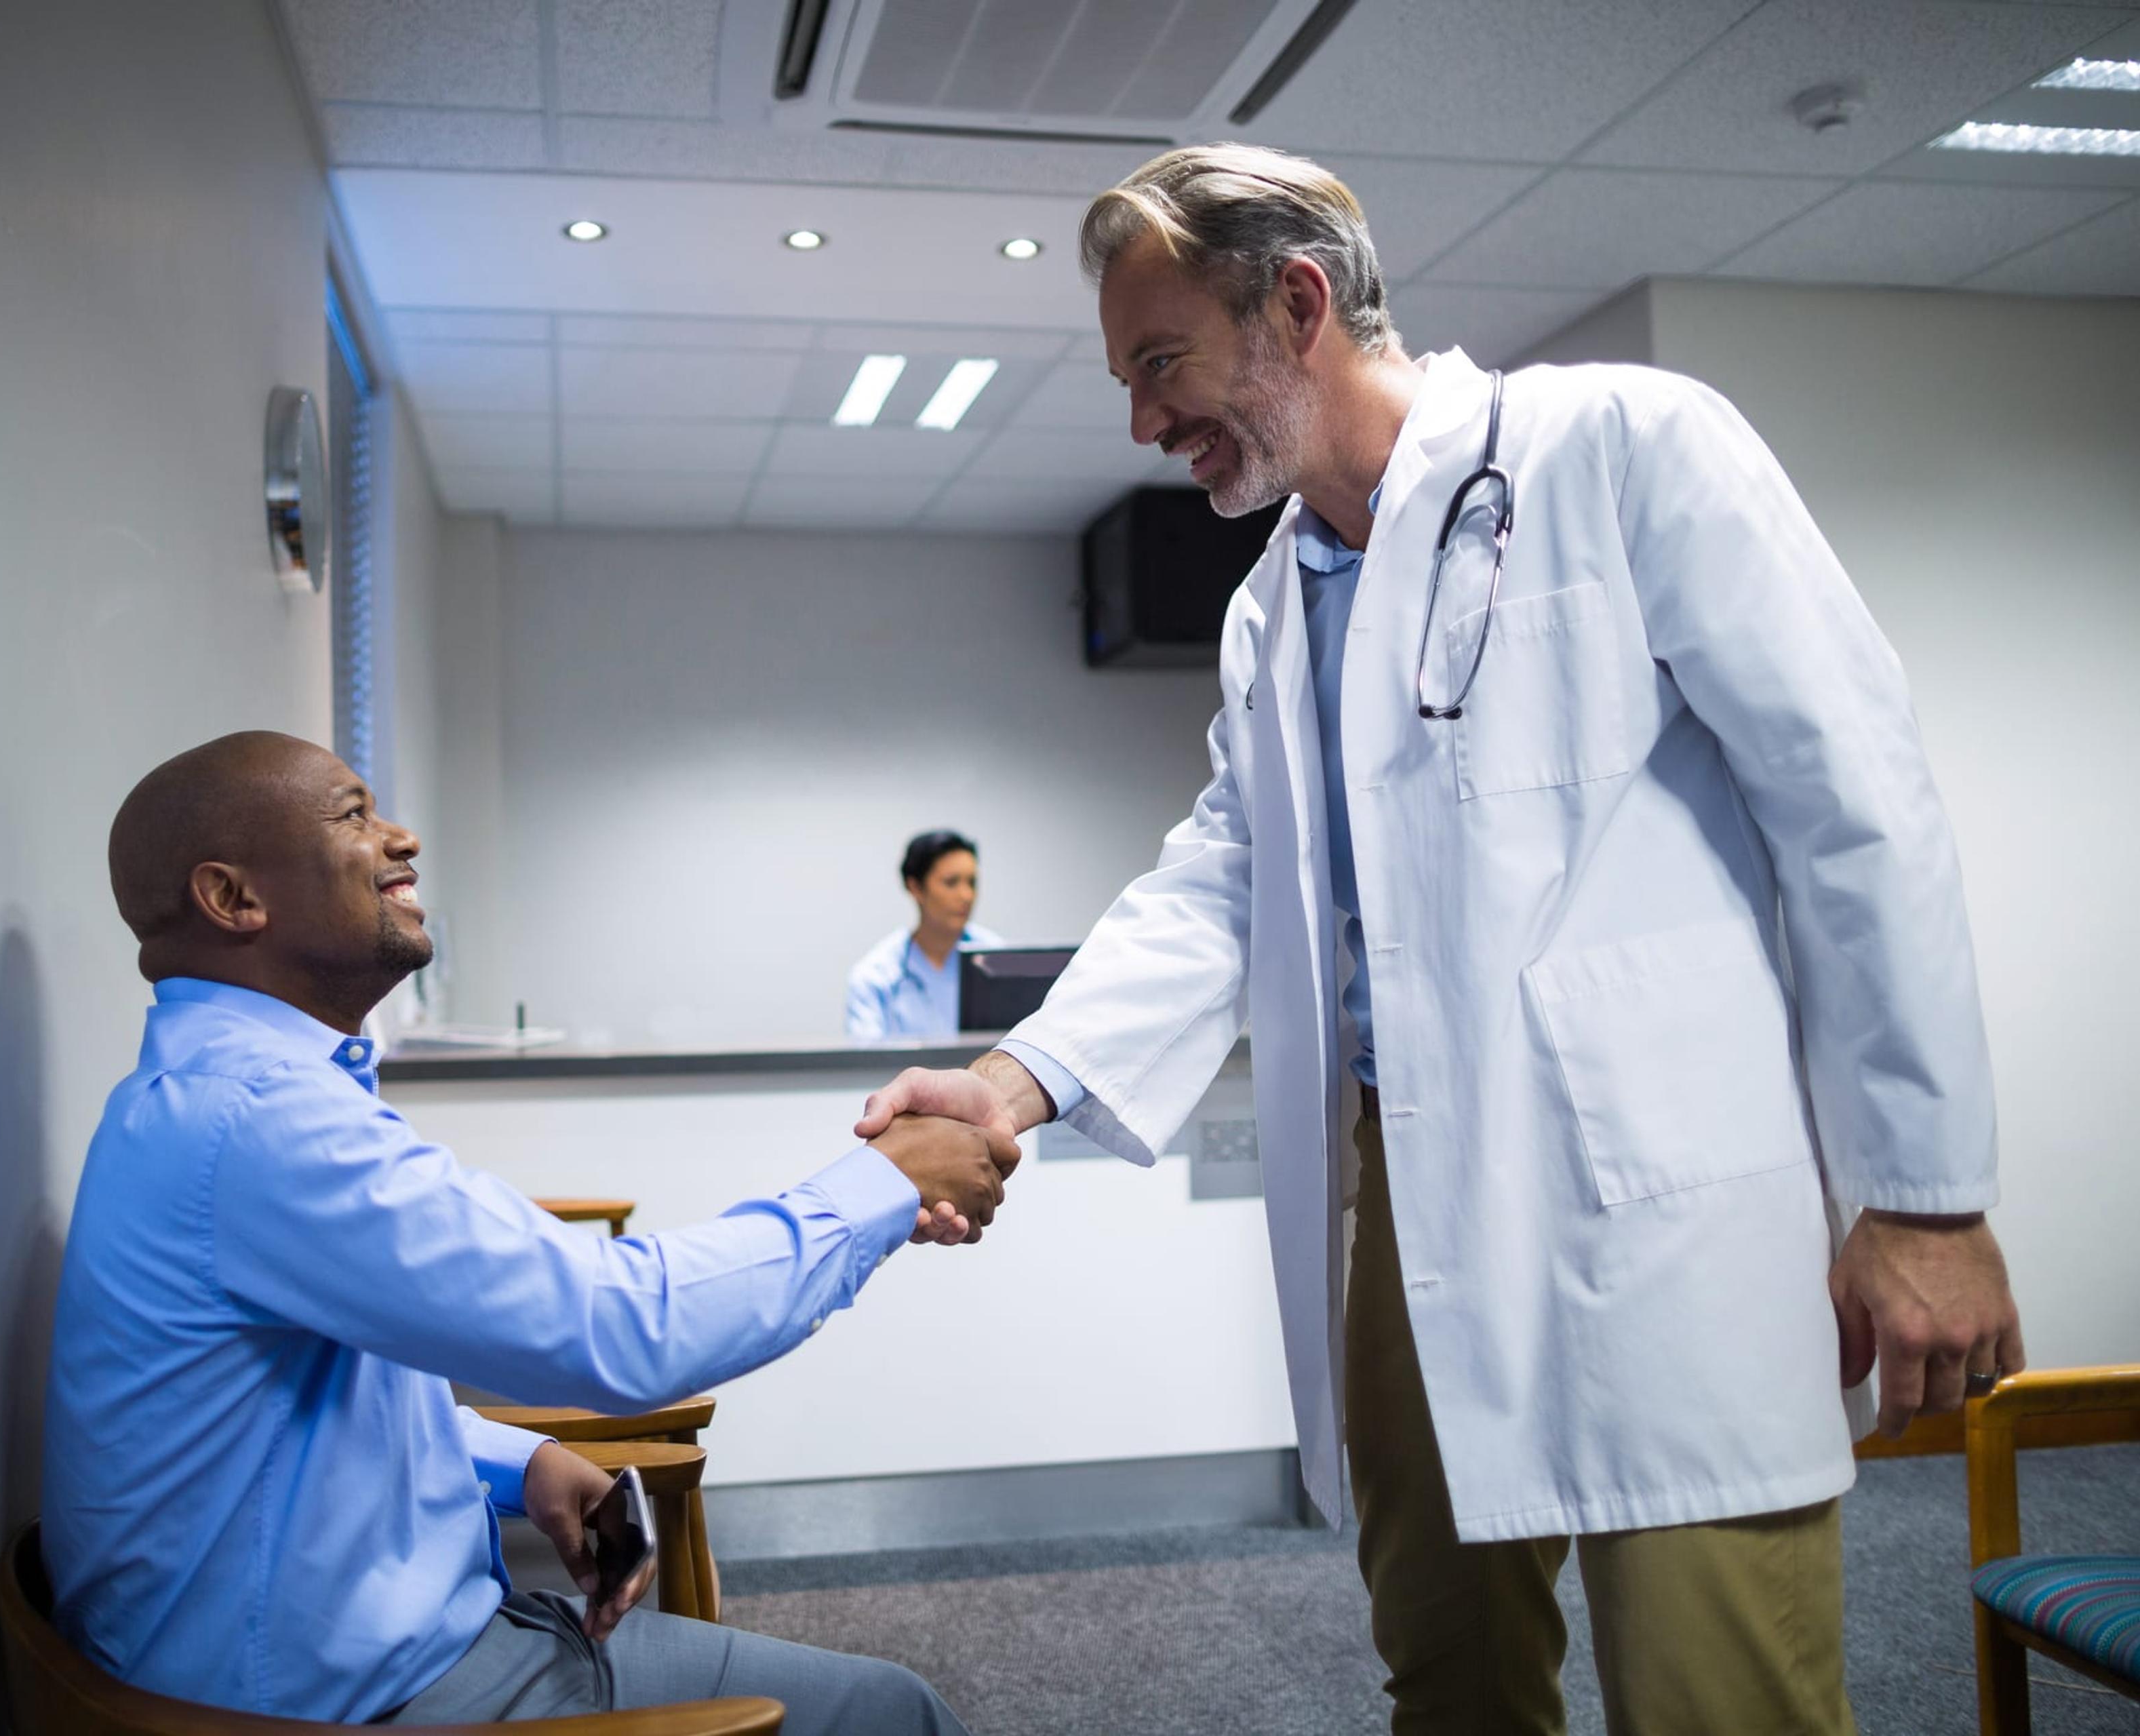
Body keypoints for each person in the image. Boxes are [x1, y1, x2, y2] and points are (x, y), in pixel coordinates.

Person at [861, 144, 2024, 1734]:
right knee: (1446, 1667)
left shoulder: (1621, 447)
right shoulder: (1270, 607)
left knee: (1714, 1691)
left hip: (1651, 1182)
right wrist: (1010, 1081)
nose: (1141, 421)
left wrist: (1925, 1195)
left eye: (1159, 363)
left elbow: (1856, 801)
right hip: (1401, 1180)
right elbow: (1224, 871)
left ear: (1293, 303)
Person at [45, 731, 1008, 1731]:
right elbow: (624, 1328)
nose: (401, 837)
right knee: (892, 1713)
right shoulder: (259, 1119)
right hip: (333, 1705)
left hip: (326, 1654)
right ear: (234, 899)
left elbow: (301, 1422)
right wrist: (885, 1182)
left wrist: (522, 1465)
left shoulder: (211, 1097)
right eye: (354, 814)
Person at [844, 829, 1005, 1041]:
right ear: (916, 888)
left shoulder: (999, 961)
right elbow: (867, 1065)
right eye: (951, 882)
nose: (966, 896)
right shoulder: (876, 976)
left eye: (972, 883)